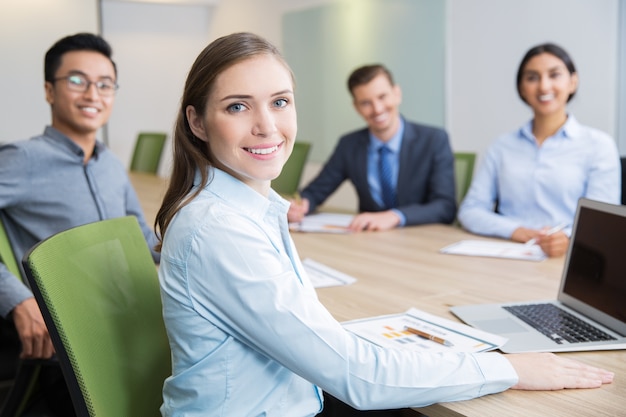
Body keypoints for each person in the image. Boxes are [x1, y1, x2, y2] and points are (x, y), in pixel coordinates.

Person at [154, 32, 613, 417]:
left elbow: (445, 205)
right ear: (196, 121)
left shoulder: (247, 210)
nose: (266, 125)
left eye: (279, 102)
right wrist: (508, 367)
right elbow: (356, 374)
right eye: (237, 107)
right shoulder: (220, 230)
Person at [0, 32, 160, 415]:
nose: (93, 94)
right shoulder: (22, 159)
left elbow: (138, 236)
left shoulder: (110, 164)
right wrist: (15, 298)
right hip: (74, 342)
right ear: (49, 90)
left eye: (105, 84)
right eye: (77, 81)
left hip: (127, 318)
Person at [458, 43, 621, 257]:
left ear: (573, 82)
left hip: (571, 259)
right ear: (521, 88)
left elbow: (602, 222)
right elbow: (470, 210)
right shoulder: (501, 146)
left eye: (554, 75)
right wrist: (517, 231)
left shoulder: (598, 145)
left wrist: (568, 238)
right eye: (532, 77)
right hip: (509, 254)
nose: (544, 86)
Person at [287, 64, 456, 232]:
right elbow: (317, 190)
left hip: (421, 238)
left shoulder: (434, 140)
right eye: (366, 103)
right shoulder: (349, 145)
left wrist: (394, 216)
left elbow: (445, 207)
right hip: (369, 239)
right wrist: (303, 205)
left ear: (397, 94)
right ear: (356, 107)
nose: (377, 109)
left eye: (382, 97)